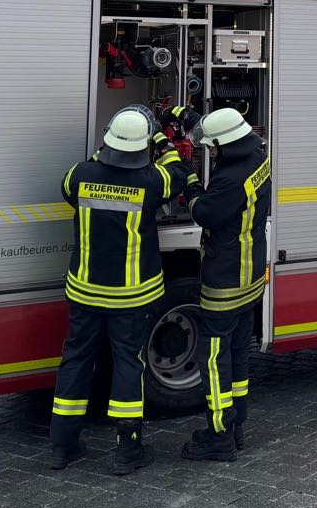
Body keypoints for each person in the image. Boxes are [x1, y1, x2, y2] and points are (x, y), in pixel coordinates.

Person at [50, 106, 189, 474]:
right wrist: (161, 136)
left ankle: (61, 446)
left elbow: (73, 184)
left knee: (76, 360)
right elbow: (179, 172)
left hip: (84, 290)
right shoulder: (150, 181)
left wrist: (107, 151)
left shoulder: (79, 176)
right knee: (129, 362)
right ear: (142, 146)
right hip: (131, 295)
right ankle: (127, 451)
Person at [182, 107, 272, 463]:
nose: (212, 153)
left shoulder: (232, 178)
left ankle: (219, 435)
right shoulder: (258, 156)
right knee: (237, 355)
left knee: (214, 360)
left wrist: (189, 184)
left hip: (225, 279)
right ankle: (237, 425)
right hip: (249, 279)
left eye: (214, 147)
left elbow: (204, 212)